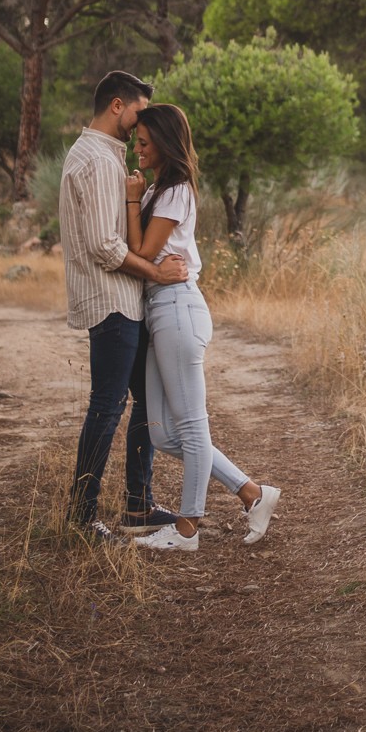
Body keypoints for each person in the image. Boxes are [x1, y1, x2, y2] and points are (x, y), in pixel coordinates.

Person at [124, 103, 281, 551]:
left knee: (191, 427)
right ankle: (252, 493)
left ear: (164, 143)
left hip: (177, 307)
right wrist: (139, 197)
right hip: (160, 310)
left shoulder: (174, 190)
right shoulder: (158, 191)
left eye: (144, 142)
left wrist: (132, 199)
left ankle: (187, 528)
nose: (138, 149)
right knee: (162, 433)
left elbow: (142, 250)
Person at [61, 70, 186, 542]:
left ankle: (138, 505)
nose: (140, 124)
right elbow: (103, 245)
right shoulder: (96, 159)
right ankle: (81, 517)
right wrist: (155, 272)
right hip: (111, 300)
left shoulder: (104, 156)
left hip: (125, 301)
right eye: (138, 112)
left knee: (146, 402)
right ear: (117, 105)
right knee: (107, 407)